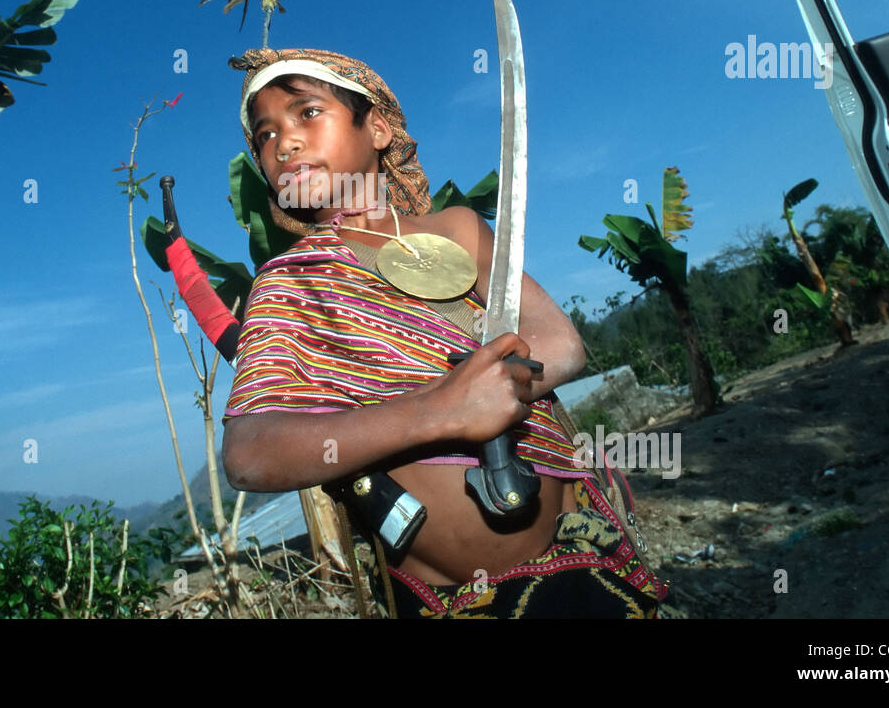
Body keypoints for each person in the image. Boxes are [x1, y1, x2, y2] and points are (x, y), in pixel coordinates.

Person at [221, 47, 673, 618]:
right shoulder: (292, 281)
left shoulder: (456, 229)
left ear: (379, 128)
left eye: (307, 113)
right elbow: (249, 452)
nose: (283, 143)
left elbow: (561, 344)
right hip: (461, 604)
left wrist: (497, 388)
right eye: (264, 135)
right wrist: (443, 409)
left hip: (591, 555)